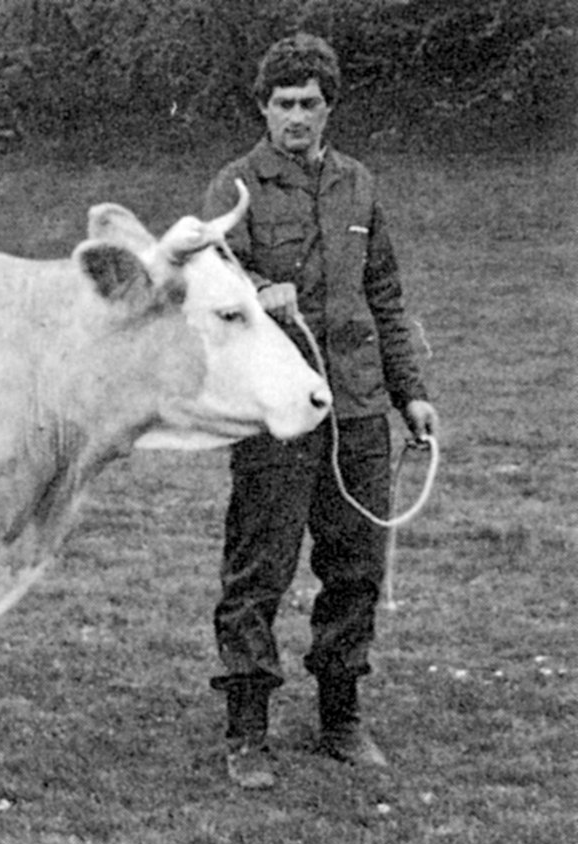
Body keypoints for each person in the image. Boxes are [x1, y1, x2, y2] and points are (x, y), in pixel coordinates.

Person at [201, 33, 439, 790]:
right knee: (258, 569)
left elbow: (386, 299)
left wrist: (412, 394)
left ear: (328, 108)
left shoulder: (359, 185)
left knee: (356, 570)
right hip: (278, 413)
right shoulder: (235, 188)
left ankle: (341, 715)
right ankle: (247, 729)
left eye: (308, 103)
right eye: (282, 104)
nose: (295, 116)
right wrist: (257, 296)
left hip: (360, 408)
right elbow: (211, 293)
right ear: (264, 109)